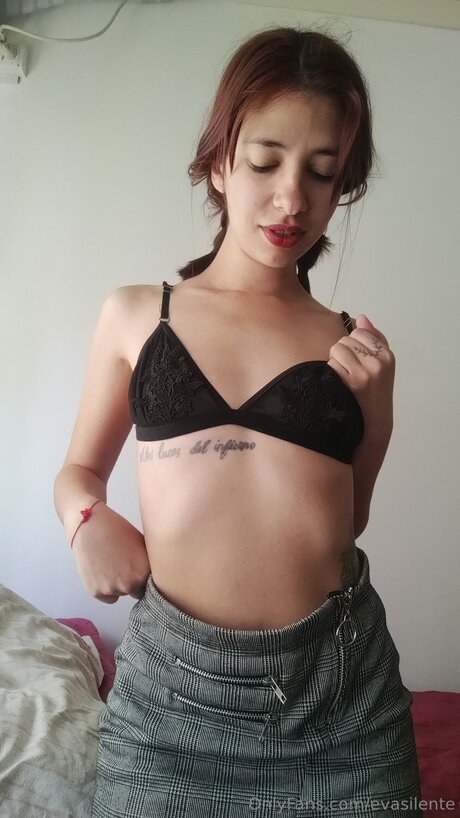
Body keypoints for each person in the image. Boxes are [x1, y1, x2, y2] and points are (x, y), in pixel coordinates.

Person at [54, 25, 422, 818]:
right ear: (220, 162)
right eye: (265, 162)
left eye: (321, 173)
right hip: (167, 706)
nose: (293, 200)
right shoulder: (137, 316)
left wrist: (379, 414)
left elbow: (346, 523)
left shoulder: (348, 344)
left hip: (341, 702)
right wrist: (86, 520)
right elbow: (77, 472)